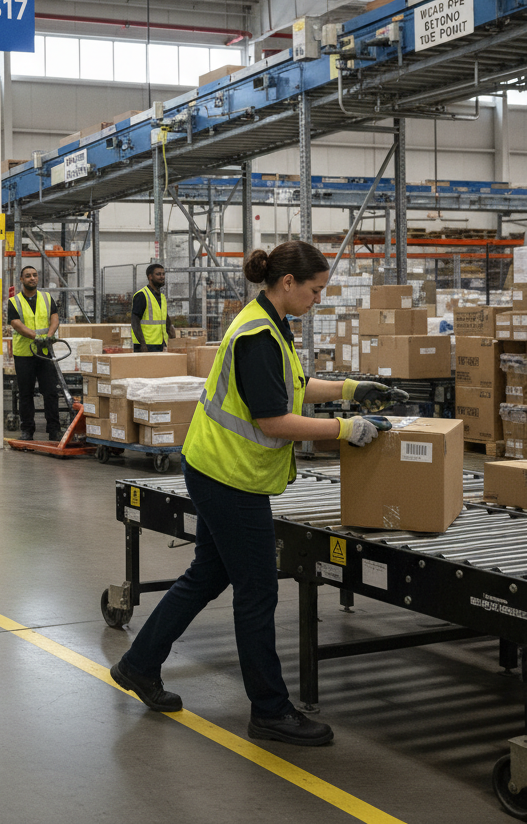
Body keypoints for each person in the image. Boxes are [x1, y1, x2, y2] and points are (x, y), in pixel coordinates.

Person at [110, 239, 392, 747]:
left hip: (218, 467)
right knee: (258, 591)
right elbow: (274, 419)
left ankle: (139, 664)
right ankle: (269, 710)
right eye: (316, 290)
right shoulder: (258, 334)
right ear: (288, 284)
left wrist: (352, 389)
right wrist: (346, 430)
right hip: (229, 477)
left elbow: (292, 387)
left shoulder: (268, 322)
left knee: (207, 575)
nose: (319, 299)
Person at [8, 265, 61, 441]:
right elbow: (16, 324)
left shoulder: (47, 298)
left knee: (51, 392)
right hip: (24, 354)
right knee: (25, 393)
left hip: (45, 352)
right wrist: (36, 336)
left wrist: (50, 335)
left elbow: (54, 317)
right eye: (28, 276)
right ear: (21, 280)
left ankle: (54, 429)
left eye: (35, 275)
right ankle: (27, 430)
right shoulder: (13, 302)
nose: (32, 278)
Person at [131, 263, 176, 351]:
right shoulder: (142, 295)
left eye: (163, 274)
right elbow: (135, 321)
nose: (162, 277)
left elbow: (163, 316)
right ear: (150, 277)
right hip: (146, 345)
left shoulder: (162, 297)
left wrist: (170, 329)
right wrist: (143, 344)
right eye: (158, 274)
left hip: (160, 343)